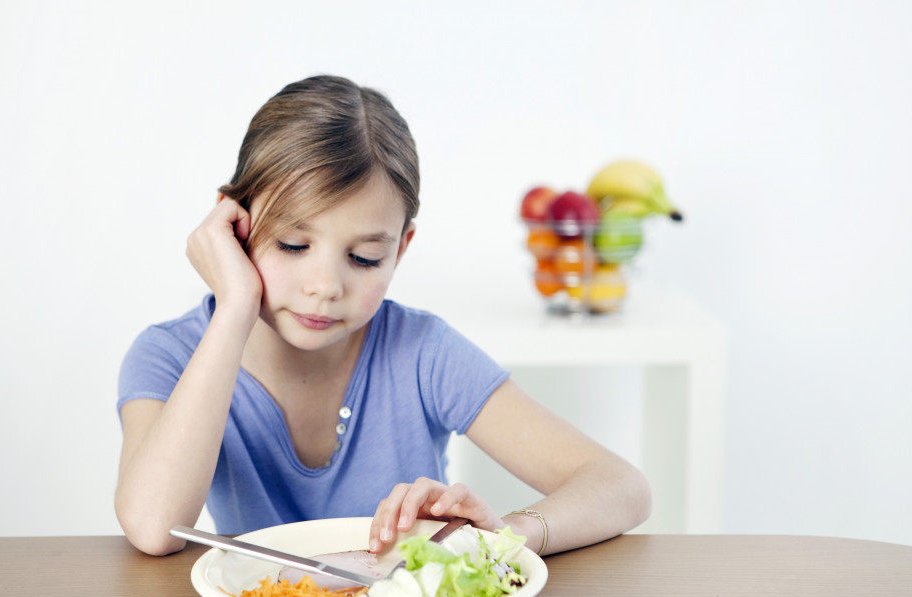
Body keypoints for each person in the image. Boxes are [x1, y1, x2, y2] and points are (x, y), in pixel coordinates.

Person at [116, 75, 651, 557]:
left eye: (364, 258)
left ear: (400, 248)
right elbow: (152, 526)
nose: (325, 287)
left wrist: (506, 536)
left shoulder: (422, 351)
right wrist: (232, 307)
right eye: (292, 243)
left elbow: (621, 486)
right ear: (232, 224)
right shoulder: (170, 356)